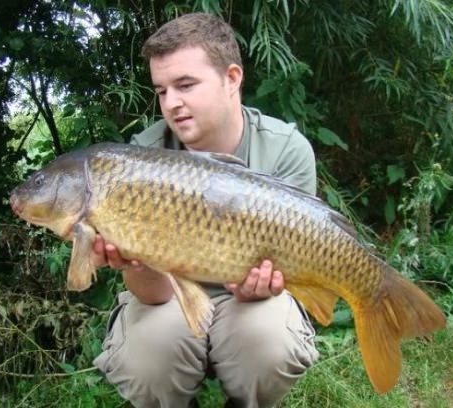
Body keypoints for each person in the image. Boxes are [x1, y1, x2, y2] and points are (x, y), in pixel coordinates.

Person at [92, 12, 319, 408]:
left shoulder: (286, 149)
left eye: (185, 85)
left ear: (232, 78)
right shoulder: (139, 159)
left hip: (252, 302)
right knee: (148, 360)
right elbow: (152, 293)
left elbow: (299, 271)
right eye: (162, 91)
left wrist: (264, 285)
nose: (172, 103)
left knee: (268, 344)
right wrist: (137, 263)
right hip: (170, 296)